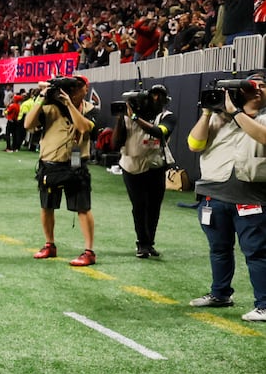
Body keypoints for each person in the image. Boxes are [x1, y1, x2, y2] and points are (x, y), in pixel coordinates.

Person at [186, 75, 266, 320]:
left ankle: (263, 304)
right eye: (252, 85)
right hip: (213, 194)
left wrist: (236, 114)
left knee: (256, 252)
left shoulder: (262, 118)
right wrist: (208, 113)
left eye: (263, 85)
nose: (257, 89)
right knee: (219, 249)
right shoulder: (218, 119)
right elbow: (194, 144)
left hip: (251, 196)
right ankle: (220, 294)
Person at [26, 75, 99, 266]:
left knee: (83, 207)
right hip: (51, 162)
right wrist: (42, 97)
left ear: (85, 89)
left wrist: (68, 104)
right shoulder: (49, 106)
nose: (75, 90)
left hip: (76, 164)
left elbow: (84, 128)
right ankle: (49, 244)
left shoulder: (90, 109)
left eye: (79, 87)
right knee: (47, 206)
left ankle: (89, 251)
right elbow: (28, 124)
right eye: (72, 87)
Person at [114, 84, 176, 258]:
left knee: (154, 207)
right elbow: (116, 141)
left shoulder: (167, 117)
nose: (156, 99)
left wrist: (134, 117)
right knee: (139, 206)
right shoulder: (128, 116)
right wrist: (125, 116)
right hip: (131, 166)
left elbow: (159, 132)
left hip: (155, 165)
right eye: (153, 95)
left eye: (160, 96)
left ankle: (150, 243)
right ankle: (142, 243)